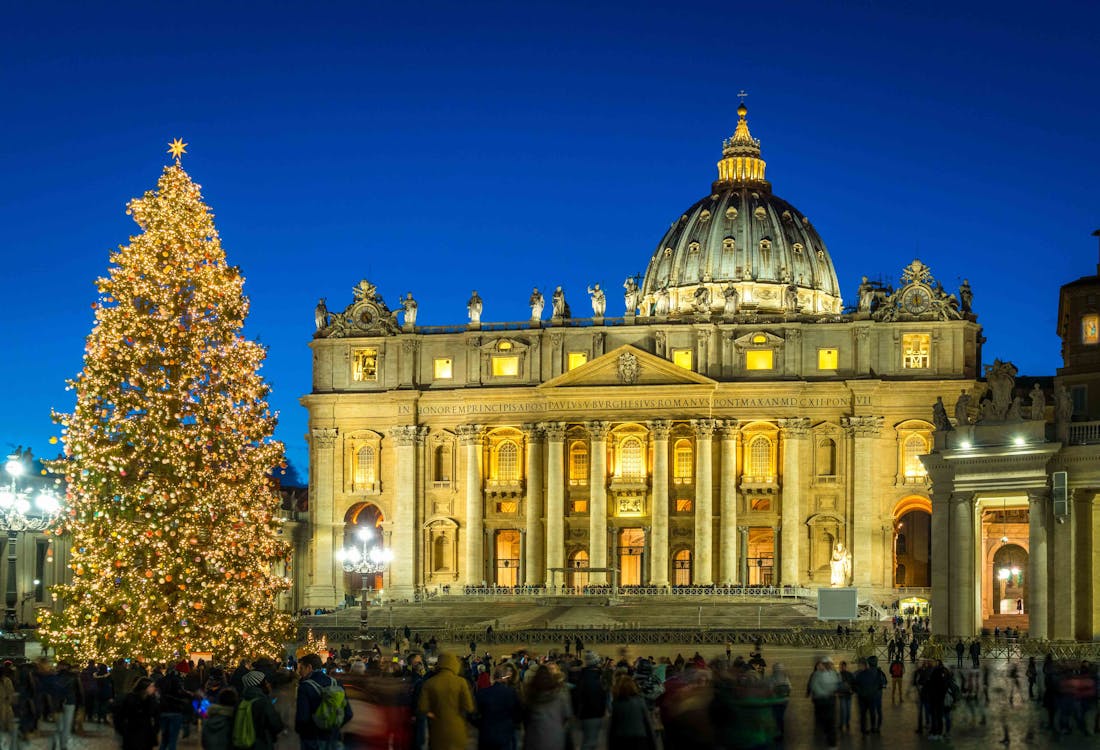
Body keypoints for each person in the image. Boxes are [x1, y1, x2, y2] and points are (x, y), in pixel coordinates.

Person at [417, 653, 474, 750]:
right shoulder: (461, 682)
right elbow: (469, 707)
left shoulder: (429, 683)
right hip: (457, 729)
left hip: (438, 730)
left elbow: (422, 708)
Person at [295, 654, 351, 750]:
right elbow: (348, 713)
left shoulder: (305, 687)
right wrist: (333, 727)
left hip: (312, 739)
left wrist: (301, 731)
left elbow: (302, 718)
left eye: (301, 668)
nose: (299, 671)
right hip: (333, 739)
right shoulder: (336, 683)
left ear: (309, 667)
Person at [521, 664, 572, 750]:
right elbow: (567, 715)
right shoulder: (560, 695)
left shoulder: (530, 697)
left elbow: (525, 719)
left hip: (535, 739)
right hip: (556, 738)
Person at [608, 674, 655, 750]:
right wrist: (653, 745)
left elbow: (613, 727)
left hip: (622, 739)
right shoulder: (640, 702)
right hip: (640, 738)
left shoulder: (616, 704)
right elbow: (647, 724)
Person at [240, 671, 284, 750]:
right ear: (260, 684)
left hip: (244, 744)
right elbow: (276, 725)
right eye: (265, 682)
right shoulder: (263, 702)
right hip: (262, 744)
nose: (268, 684)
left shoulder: (241, 701)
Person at [114, 677, 159, 750]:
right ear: (144, 687)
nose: (154, 688)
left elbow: (156, 716)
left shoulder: (151, 700)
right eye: (151, 686)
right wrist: (124, 731)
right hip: (132, 735)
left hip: (147, 736)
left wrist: (154, 730)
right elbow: (119, 717)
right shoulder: (130, 699)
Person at [806, 656, 840, 748]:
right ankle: (825, 740)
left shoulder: (833, 673)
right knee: (823, 722)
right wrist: (827, 693)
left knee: (831, 723)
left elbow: (836, 684)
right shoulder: (817, 674)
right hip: (822, 702)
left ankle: (832, 744)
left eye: (830, 664)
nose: (830, 666)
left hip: (830, 702)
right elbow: (815, 687)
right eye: (828, 664)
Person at [853, 655, 886, 735]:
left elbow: (855, 684)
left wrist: (859, 691)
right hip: (876, 695)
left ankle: (865, 729)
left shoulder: (860, 673)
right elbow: (883, 683)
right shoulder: (879, 672)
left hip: (867, 696)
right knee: (875, 712)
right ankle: (875, 727)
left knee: (865, 713)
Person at [836, 661, 854, 733]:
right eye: (841, 666)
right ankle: (842, 723)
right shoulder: (839, 675)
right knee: (843, 710)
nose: (842, 667)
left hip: (847, 695)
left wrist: (852, 689)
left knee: (847, 711)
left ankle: (846, 723)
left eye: (843, 666)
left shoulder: (849, 674)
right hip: (843, 695)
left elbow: (853, 683)